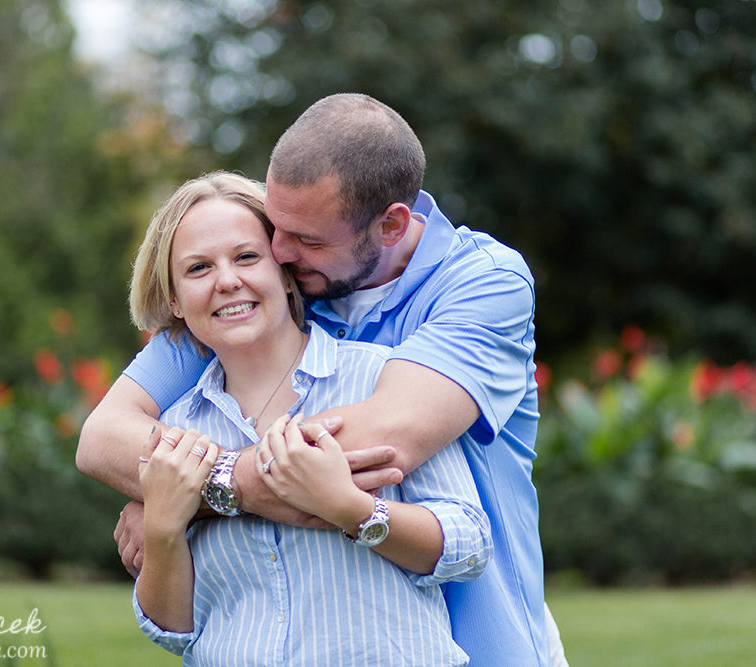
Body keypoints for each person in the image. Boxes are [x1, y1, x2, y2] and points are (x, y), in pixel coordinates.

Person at [78, 93, 567, 666]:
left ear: (390, 226)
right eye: (276, 230)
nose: (279, 253)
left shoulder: (483, 283)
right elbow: (104, 438)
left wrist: (194, 494)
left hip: (488, 643)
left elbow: (379, 442)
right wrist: (174, 498)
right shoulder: (269, 298)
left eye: (305, 240)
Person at [130, 171, 491, 664]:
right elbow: (173, 632)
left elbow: (468, 545)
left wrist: (353, 510)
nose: (227, 280)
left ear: (283, 268)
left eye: (246, 257)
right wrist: (163, 529)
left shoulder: (380, 379)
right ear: (174, 298)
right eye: (198, 269)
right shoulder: (175, 436)